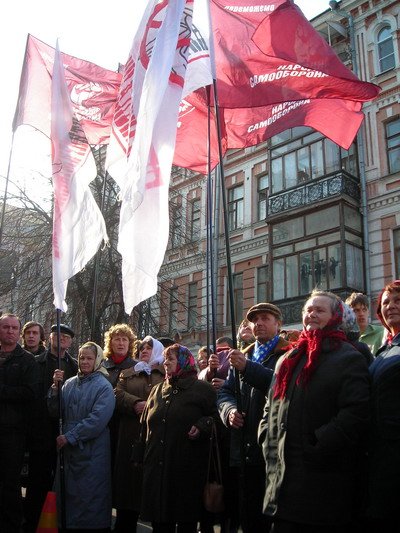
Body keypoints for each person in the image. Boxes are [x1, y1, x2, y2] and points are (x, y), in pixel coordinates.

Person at [259, 289, 370, 533]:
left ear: (336, 317)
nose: (312, 314)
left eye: (320, 310)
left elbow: (356, 412)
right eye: (308, 309)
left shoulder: (348, 357)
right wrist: (266, 436)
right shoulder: (287, 358)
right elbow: (271, 405)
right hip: (280, 485)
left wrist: (319, 443)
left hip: (321, 485)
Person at [218, 302, 290, 533]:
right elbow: (225, 392)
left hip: (270, 450)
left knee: (267, 520)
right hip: (242, 448)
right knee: (245, 515)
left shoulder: (288, 353)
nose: (258, 323)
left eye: (265, 318)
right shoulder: (243, 355)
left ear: (278, 324)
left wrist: (248, 368)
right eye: (254, 319)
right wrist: (228, 411)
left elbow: (283, 385)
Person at [140, 344, 217, 533]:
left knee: (185, 522)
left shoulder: (202, 389)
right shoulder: (157, 390)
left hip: (187, 470)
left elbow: (217, 419)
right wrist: (138, 457)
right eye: (165, 359)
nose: (166, 363)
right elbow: (144, 425)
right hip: (157, 469)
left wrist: (202, 425)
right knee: (160, 522)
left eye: (171, 359)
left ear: (183, 361)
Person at [49, 342, 115, 533]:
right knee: (67, 500)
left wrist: (71, 436)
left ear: (97, 360)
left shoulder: (103, 386)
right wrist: (54, 388)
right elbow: (55, 411)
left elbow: (97, 420)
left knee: (89, 499)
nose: (84, 362)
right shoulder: (68, 384)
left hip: (92, 453)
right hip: (68, 454)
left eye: (89, 358)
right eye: (82, 357)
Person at [23, 324, 77, 533]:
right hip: (40, 434)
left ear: (70, 342)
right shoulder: (36, 362)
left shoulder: (74, 365)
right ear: (50, 338)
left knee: (63, 485)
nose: (61, 339)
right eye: (58, 335)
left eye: (66, 337)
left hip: (64, 434)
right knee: (37, 485)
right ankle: (31, 524)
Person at [113, 336, 165, 533]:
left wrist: (151, 406)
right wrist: (134, 402)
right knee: (128, 499)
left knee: (155, 498)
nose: (144, 350)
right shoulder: (127, 374)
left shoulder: (166, 373)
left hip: (156, 441)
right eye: (142, 347)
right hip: (130, 438)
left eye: (149, 348)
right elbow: (117, 394)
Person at [0, 313, 39, 533]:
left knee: (10, 483)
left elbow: (30, 392)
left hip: (13, 431)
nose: (10, 331)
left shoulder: (26, 360)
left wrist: (3, 392)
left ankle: (12, 526)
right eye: (6, 327)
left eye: (14, 328)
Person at [367, 280, 400, 530]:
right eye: (385, 302)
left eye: (398, 300)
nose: (390, 306)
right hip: (381, 453)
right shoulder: (384, 348)